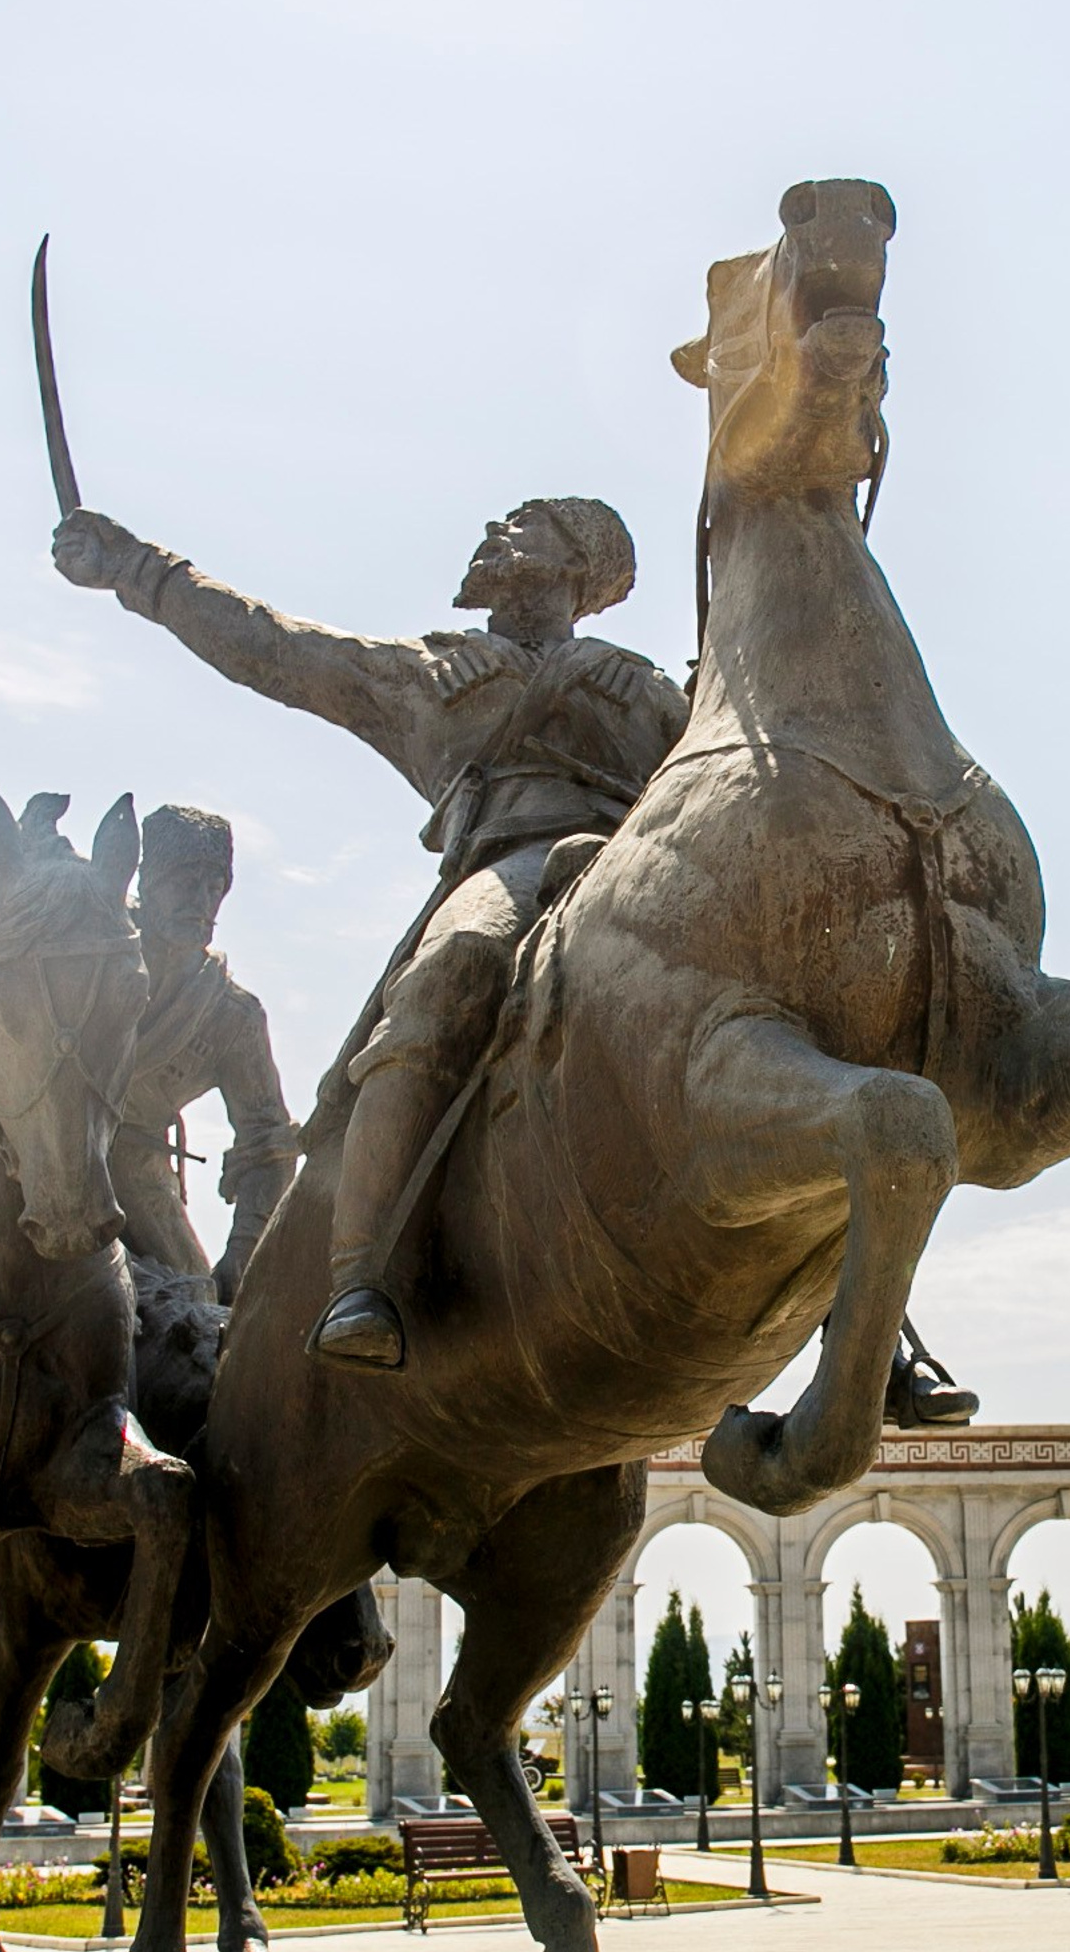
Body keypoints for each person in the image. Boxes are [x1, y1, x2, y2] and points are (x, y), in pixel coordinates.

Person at [52, 497, 687, 1371]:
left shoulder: (646, 689)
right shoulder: (424, 675)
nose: (495, 532)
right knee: (452, 965)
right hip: (509, 862)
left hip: (637, 869)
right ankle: (362, 1276)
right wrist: (136, 568)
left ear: (580, 561)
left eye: (526, 524)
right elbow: (271, 647)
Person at [115, 805, 294, 1304]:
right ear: (147, 881)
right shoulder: (89, 946)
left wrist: (243, 1251)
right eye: (184, 881)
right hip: (36, 1149)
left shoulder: (232, 1016)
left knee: (196, 1311)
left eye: (213, 888)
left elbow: (268, 1143)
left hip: (138, 1182)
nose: (200, 901)